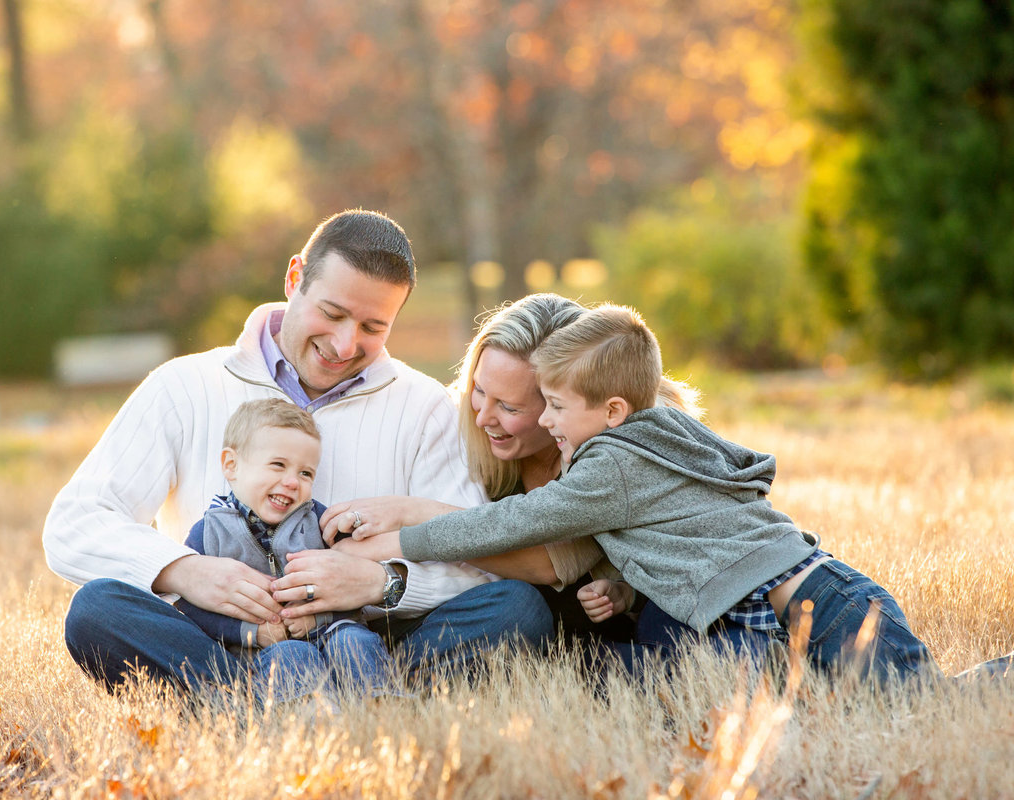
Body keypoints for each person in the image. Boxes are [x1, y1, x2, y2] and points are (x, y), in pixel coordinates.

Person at [341, 304, 1014, 685]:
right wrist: (619, 588)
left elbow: (532, 527)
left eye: (540, 403)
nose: (518, 418)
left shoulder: (612, 460)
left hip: (806, 599)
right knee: (791, 708)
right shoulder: (608, 442)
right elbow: (662, 544)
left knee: (920, 708)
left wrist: (405, 531)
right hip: (748, 617)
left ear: (604, 404)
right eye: (489, 396)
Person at [44, 209, 552, 695]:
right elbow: (75, 523)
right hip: (220, 641)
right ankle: (254, 696)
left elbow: (478, 561)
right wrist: (186, 571)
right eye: (331, 313)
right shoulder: (185, 385)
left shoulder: (425, 407)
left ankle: (364, 693)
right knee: (96, 609)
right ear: (294, 279)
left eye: (374, 328)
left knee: (517, 608)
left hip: (369, 642)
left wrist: (380, 583)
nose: (344, 343)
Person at [320, 293, 639, 645]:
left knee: (521, 608)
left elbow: (550, 563)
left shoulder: (609, 448)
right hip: (521, 632)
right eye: (479, 389)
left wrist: (409, 514)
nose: (483, 417)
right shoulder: (460, 430)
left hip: (618, 630)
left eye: (508, 407)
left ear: (559, 401)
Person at [174, 398, 397, 701]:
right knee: (292, 655)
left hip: (330, 631)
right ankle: (310, 716)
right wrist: (253, 633)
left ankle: (379, 704)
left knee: (355, 640)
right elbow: (191, 609)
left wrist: (318, 619)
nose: (293, 482)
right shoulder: (208, 533)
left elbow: (350, 584)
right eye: (278, 465)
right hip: (263, 652)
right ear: (231, 465)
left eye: (306, 473)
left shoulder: (321, 522)